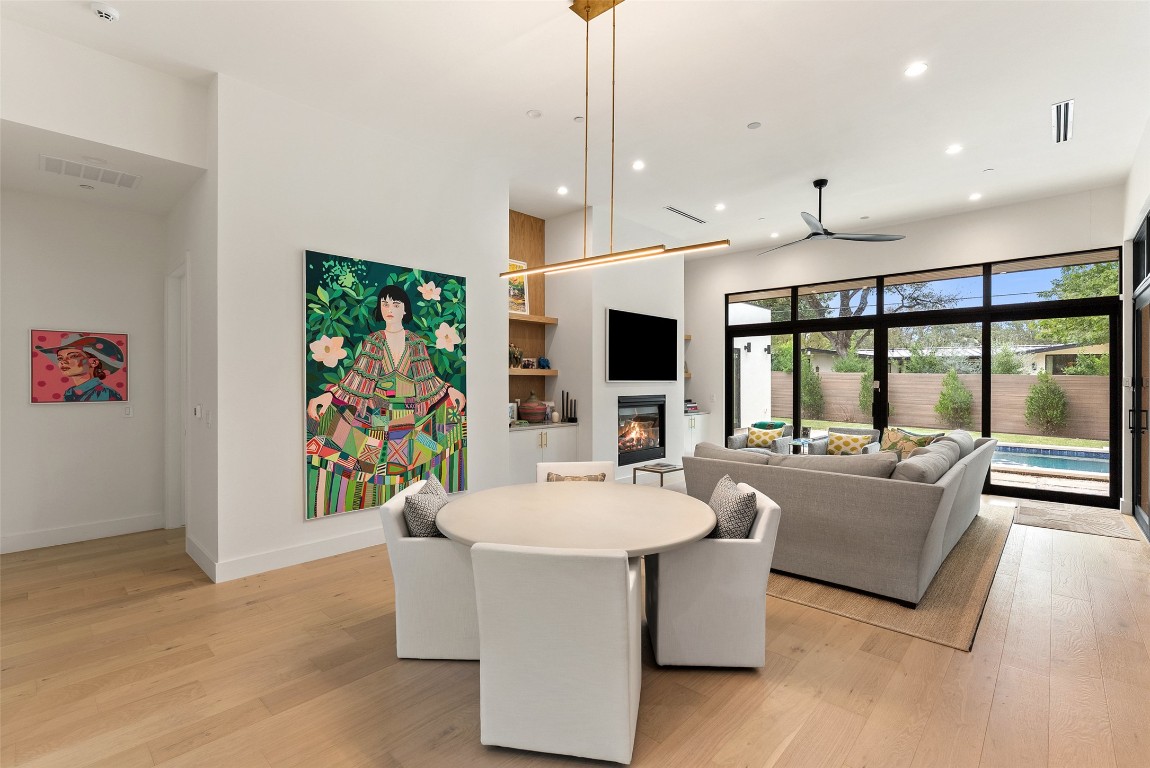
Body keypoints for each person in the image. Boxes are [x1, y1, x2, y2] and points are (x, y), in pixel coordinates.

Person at [305, 285, 466, 517]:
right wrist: (328, 395)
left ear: (405, 310)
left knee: (441, 437)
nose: (390, 309)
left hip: (412, 418)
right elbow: (355, 379)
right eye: (385, 304)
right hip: (378, 419)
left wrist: (450, 390)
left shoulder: (416, 342)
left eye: (396, 304)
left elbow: (429, 380)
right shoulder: (374, 341)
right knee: (349, 444)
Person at [36, 334, 125, 402]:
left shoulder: (105, 393)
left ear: (93, 362)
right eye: (60, 358)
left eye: (73, 356)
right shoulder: (70, 392)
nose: (63, 361)